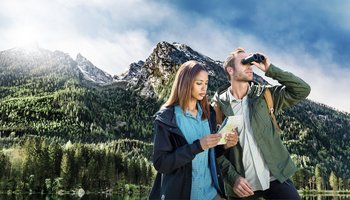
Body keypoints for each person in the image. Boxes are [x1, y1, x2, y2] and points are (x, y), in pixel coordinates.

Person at [212, 48, 311, 199]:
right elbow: (214, 152)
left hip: (275, 178)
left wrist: (270, 70)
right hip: (242, 185)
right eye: (244, 62)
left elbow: (302, 90)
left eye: (250, 62)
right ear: (230, 70)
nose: (250, 66)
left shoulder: (264, 95)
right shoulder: (217, 107)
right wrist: (233, 178)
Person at [148, 60, 238, 200]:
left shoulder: (209, 114)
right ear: (186, 83)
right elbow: (161, 163)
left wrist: (225, 145)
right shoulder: (167, 118)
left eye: (206, 83)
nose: (204, 88)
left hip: (211, 194)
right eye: (199, 83)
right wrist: (198, 146)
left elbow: (210, 153)